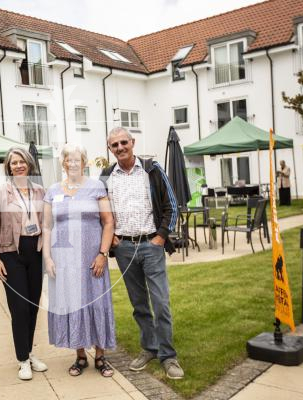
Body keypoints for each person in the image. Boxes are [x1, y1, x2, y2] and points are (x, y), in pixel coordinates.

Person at [99, 127, 184, 380]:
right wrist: (111, 237)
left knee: (160, 303)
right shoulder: (105, 176)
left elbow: (172, 206)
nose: (120, 147)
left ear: (132, 142)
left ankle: (168, 356)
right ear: (110, 149)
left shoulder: (152, 169)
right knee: (139, 305)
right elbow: (100, 211)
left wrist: (160, 237)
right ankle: (149, 348)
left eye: (124, 142)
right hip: (123, 248)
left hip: (151, 245)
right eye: (114, 145)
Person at [43, 144, 116, 378]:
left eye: (77, 160)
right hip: (63, 258)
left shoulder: (97, 187)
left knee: (95, 301)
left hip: (92, 256)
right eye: (68, 160)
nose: (72, 163)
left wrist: (102, 254)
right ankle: (80, 356)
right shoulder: (53, 190)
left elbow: (108, 222)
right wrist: (48, 258)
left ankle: (101, 356)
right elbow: (46, 226)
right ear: (63, 163)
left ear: (84, 162)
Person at [0, 147, 48, 381]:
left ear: (29, 164)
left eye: (22, 161)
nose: (18, 165)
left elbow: (48, 223)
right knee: (19, 308)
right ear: (8, 167)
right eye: (13, 163)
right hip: (11, 253)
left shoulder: (41, 191)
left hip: (36, 252)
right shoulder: (1, 193)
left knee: (33, 306)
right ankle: (22, 359)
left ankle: (29, 352)